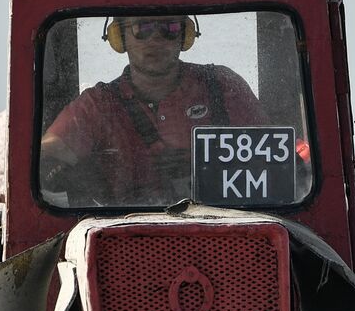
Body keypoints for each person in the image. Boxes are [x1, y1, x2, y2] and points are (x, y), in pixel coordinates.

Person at [40, 15, 267, 206]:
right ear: (120, 37)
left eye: (170, 27)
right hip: (123, 239)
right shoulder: (98, 104)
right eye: (142, 27)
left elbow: (278, 161)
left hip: (228, 233)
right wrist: (85, 180)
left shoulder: (221, 86)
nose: (156, 38)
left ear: (184, 35)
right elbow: (44, 160)